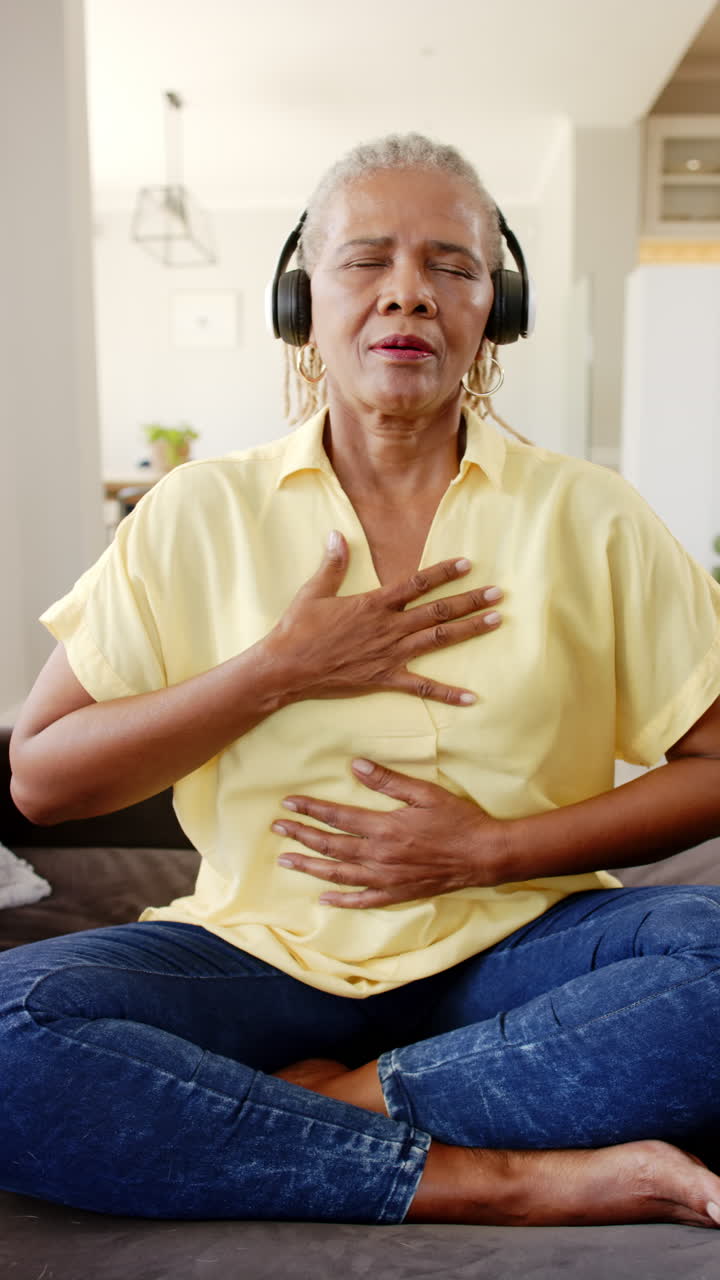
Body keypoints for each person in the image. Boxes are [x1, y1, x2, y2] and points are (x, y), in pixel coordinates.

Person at [4, 132, 720, 1228]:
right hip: (257, 950)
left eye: (453, 266)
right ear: (302, 298)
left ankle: (345, 1100)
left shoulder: (592, 514)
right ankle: (488, 1174)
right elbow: (42, 779)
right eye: (367, 259)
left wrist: (492, 848)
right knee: (14, 1025)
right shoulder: (198, 511)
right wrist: (274, 672)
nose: (410, 295)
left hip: (518, 946)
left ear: (497, 305)